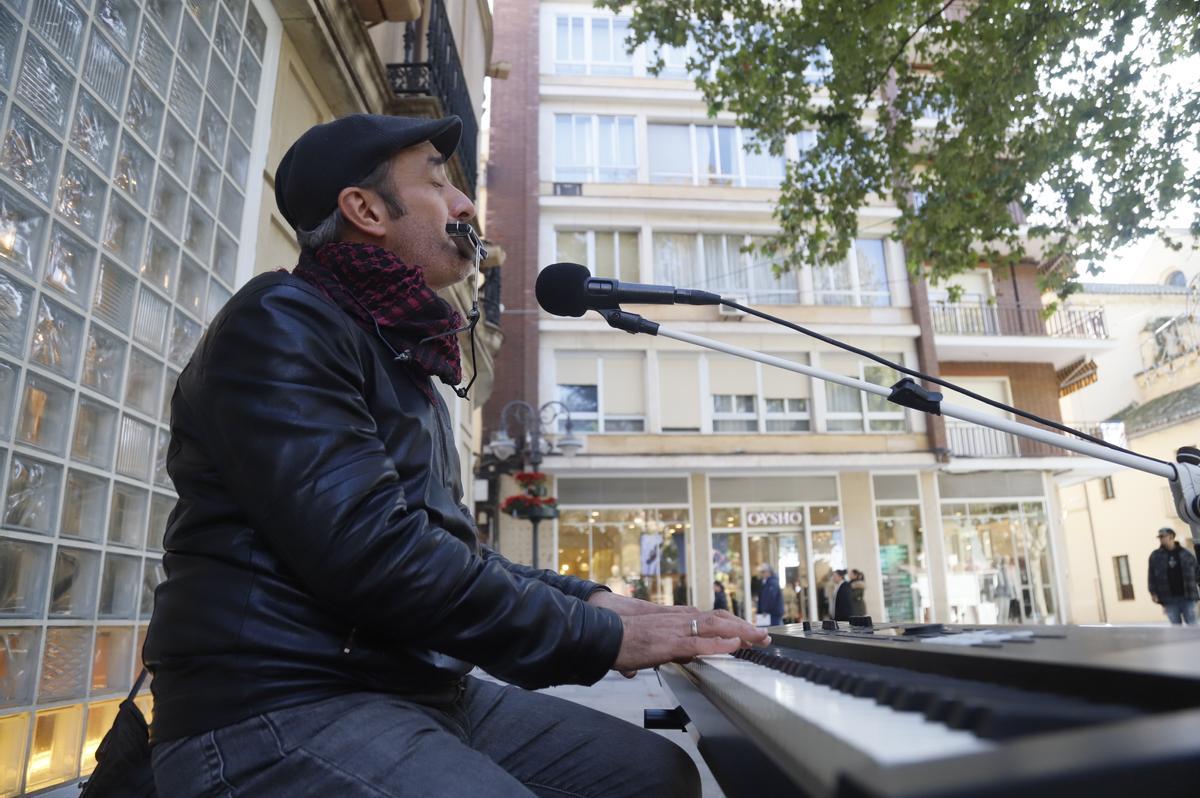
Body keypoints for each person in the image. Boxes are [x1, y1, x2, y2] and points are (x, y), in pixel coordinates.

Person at [142, 114, 769, 798]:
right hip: (275, 703)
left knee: (652, 774)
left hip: (411, 688)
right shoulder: (282, 322)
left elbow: (447, 551)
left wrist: (602, 604)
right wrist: (597, 639)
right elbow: (376, 558)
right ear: (367, 210)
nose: (466, 204)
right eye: (439, 183)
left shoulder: (395, 353)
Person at [1148, 527, 1200, 625]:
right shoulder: (1155, 556)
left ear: (1171, 536)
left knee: (1193, 626)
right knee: (1176, 628)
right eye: (1159, 537)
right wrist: (1153, 592)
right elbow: (1151, 576)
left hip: (1188, 596)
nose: (1161, 539)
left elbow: (1197, 571)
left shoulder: (1186, 553)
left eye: (1163, 536)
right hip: (1168, 598)